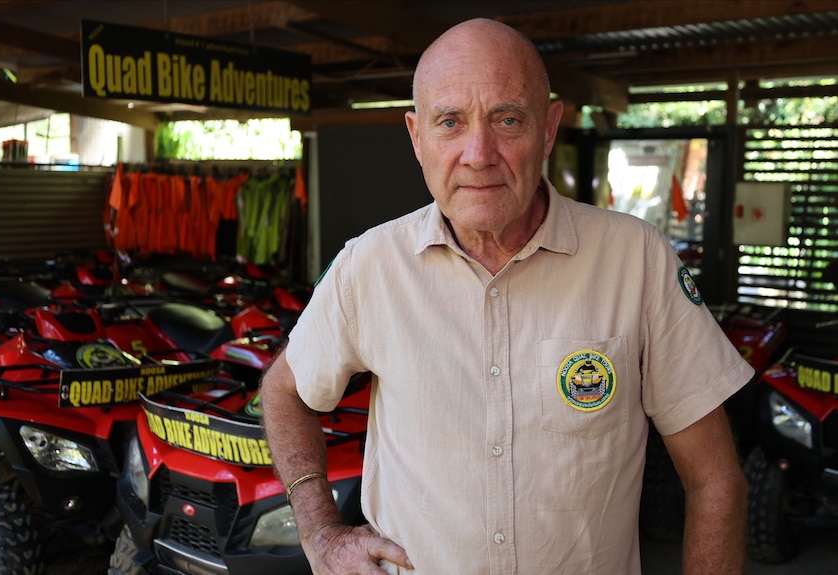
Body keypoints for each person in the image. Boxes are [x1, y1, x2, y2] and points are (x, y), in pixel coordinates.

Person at [260, 17, 753, 575]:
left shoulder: (635, 259)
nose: (479, 153)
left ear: (548, 128)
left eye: (508, 119)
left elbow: (715, 480)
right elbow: (286, 390)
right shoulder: (369, 266)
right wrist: (320, 529)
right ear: (416, 136)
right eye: (450, 122)